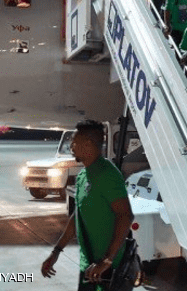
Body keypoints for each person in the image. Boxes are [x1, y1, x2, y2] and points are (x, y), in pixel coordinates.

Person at [41, 120, 134, 291]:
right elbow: (78, 217)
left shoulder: (108, 174)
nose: (71, 146)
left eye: (74, 142)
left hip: (107, 271)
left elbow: (125, 216)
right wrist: (56, 252)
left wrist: (107, 260)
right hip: (89, 267)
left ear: (88, 144)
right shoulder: (83, 175)